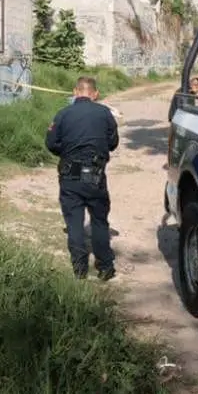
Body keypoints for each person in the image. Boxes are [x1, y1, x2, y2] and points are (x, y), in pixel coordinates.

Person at [46, 76, 119, 281]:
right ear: (95, 94)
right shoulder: (104, 113)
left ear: (75, 92)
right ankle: (105, 267)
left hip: (70, 172)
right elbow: (113, 142)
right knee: (99, 221)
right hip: (95, 174)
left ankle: (79, 269)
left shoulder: (63, 114)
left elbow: (51, 144)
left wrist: (67, 152)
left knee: (74, 222)